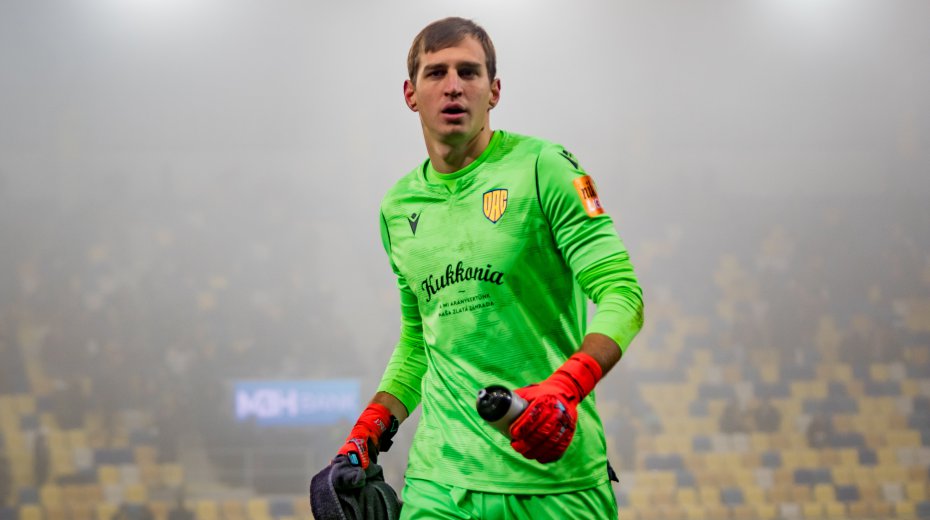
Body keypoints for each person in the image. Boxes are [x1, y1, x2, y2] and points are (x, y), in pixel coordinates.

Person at [323, 17, 644, 519]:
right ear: (411, 94)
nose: (453, 86)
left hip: (556, 483)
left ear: (494, 91)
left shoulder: (545, 167)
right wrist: (369, 429)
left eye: (469, 72)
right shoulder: (397, 207)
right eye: (436, 73)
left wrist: (565, 387)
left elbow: (622, 294)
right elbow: (419, 342)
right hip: (438, 485)